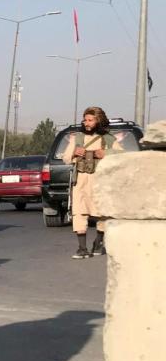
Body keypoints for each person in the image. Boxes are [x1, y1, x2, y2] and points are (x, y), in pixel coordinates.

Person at [63, 106, 121, 259]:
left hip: (101, 182)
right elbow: (66, 157)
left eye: (90, 120)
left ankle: (98, 242)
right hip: (81, 181)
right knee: (79, 212)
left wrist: (105, 153)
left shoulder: (108, 139)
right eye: (85, 120)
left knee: (102, 213)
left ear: (98, 121)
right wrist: (74, 152)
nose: (86, 123)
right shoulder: (78, 138)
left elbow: (122, 154)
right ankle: (82, 248)